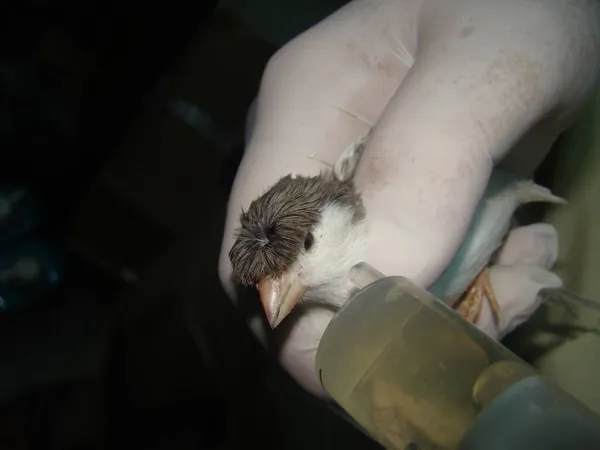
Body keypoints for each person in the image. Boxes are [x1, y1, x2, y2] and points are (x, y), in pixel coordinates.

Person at [218, 0, 600, 398]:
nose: (278, 297)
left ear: (333, 215)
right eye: (267, 286)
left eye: (308, 243)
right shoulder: (325, 321)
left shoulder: (375, 183)